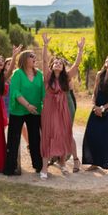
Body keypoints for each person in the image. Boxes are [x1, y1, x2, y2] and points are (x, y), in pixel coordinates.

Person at [39, 34, 84, 179]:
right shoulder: (47, 76)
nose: (57, 64)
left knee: (63, 134)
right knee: (48, 135)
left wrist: (80, 50)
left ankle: (63, 163)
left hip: (63, 109)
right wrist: (45, 45)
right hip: (49, 109)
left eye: (60, 63)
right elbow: (45, 61)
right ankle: (44, 168)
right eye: (55, 63)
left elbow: (76, 65)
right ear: (52, 66)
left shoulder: (66, 77)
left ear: (63, 67)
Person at [3, 50, 45, 176]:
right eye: (31, 56)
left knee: (35, 138)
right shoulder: (17, 74)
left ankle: (38, 165)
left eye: (35, 56)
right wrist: (27, 105)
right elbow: (16, 92)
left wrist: (45, 106)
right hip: (19, 110)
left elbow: (43, 93)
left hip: (35, 110)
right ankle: (10, 168)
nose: (34, 58)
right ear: (25, 59)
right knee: (13, 139)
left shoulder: (39, 74)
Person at [82, 53, 108, 171]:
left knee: (105, 134)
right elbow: (94, 93)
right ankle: (95, 162)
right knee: (92, 133)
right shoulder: (100, 74)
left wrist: (103, 108)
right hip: (97, 108)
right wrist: (95, 106)